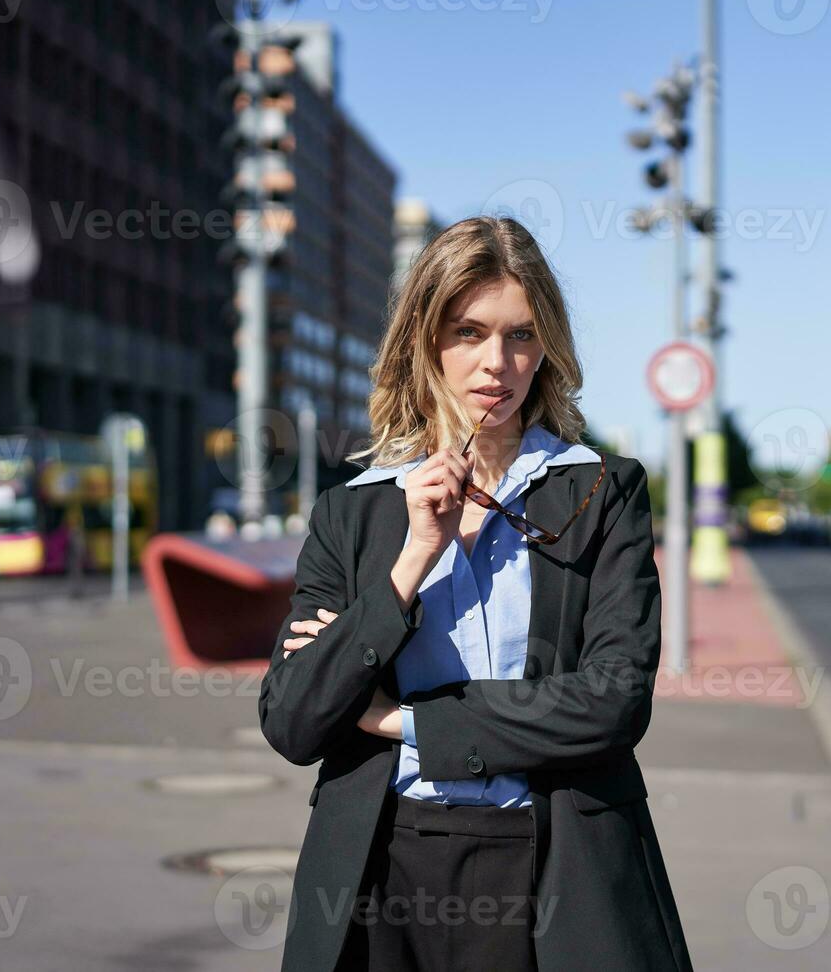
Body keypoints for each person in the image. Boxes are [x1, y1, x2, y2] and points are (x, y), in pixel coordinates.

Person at [259, 215, 693, 972]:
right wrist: (413, 557)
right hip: (379, 869)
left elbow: (613, 702)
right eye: (468, 332)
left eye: (521, 335)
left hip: (559, 868)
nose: (497, 362)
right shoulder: (352, 511)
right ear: (424, 341)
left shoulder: (601, 491)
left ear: (546, 348)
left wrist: (399, 721)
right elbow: (296, 722)